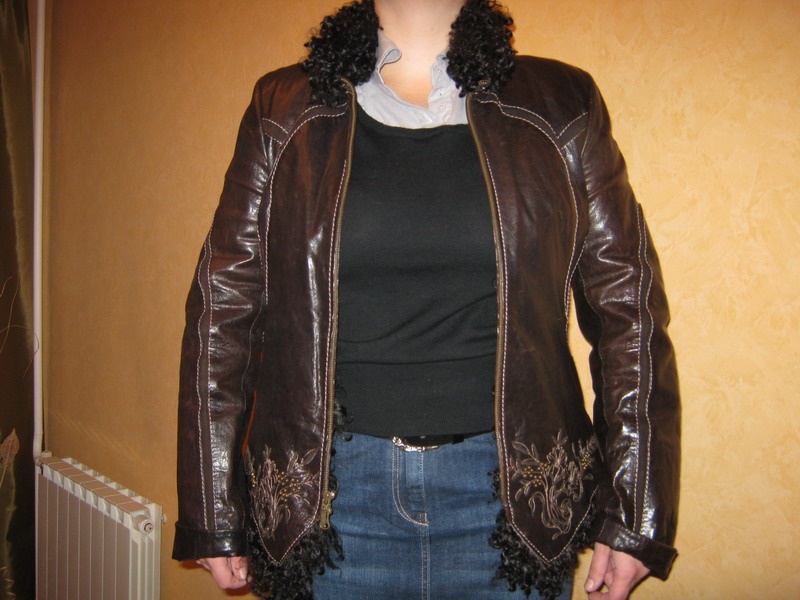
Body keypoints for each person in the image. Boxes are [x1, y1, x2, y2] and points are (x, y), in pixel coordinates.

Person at [172, 1, 680, 599]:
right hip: (328, 507)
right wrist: (212, 508)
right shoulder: (283, 107)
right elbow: (224, 308)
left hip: (518, 505)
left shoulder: (560, 102)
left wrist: (635, 511)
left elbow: (629, 309)